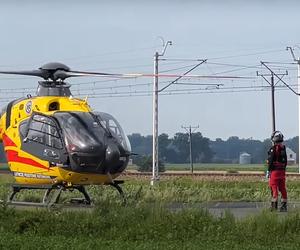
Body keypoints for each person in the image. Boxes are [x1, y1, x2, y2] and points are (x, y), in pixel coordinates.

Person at [267, 131, 288, 212]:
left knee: (274, 188)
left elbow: (271, 161)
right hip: (282, 172)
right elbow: (285, 162)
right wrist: (283, 170)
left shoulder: (273, 149)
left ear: (273, 140)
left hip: (274, 172)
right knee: (282, 188)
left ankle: (274, 207)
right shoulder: (284, 148)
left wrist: (268, 171)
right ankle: (284, 207)